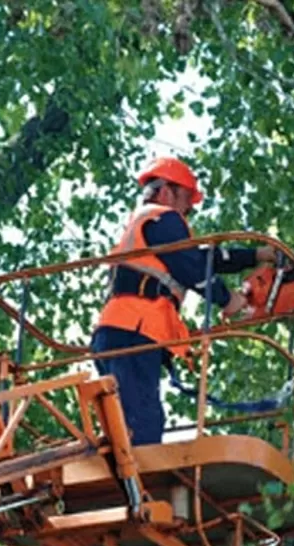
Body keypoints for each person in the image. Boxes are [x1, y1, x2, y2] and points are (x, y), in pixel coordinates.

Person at [90, 156, 276, 446]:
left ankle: (131, 482)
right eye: (187, 199)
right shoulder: (162, 217)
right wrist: (228, 299)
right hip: (134, 331)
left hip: (120, 331)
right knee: (144, 423)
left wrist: (255, 256)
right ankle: (139, 488)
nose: (189, 210)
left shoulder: (147, 227)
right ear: (166, 191)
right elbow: (190, 267)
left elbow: (202, 258)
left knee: (129, 422)